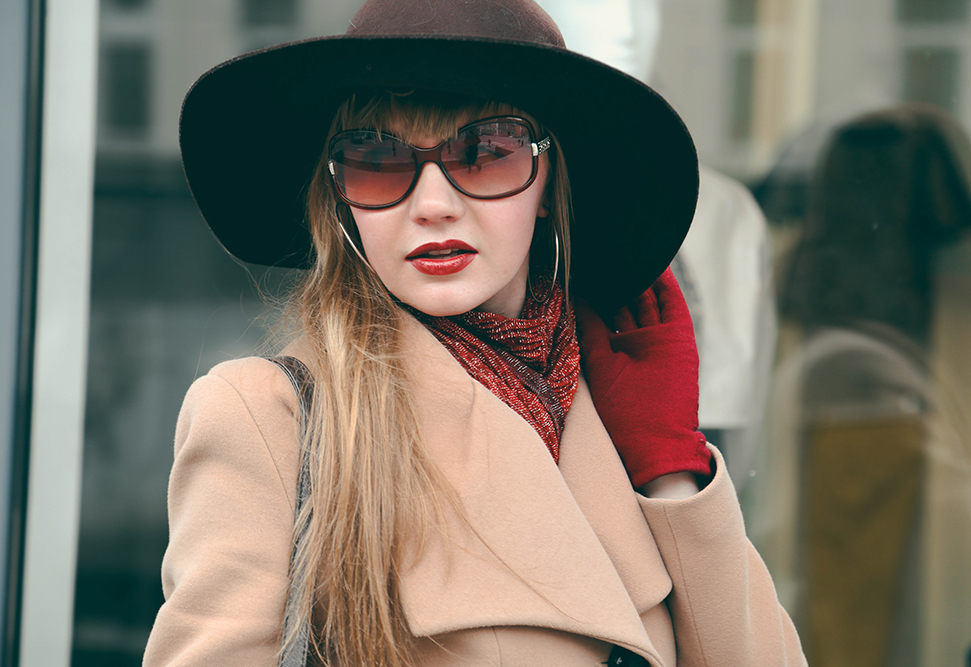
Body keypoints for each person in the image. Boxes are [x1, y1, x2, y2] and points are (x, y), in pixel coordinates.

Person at [143, 1, 805, 665]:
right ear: (339, 192)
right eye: (377, 157)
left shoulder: (612, 420)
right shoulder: (271, 418)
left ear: (549, 179)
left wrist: (670, 467)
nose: (433, 205)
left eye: (486, 153)